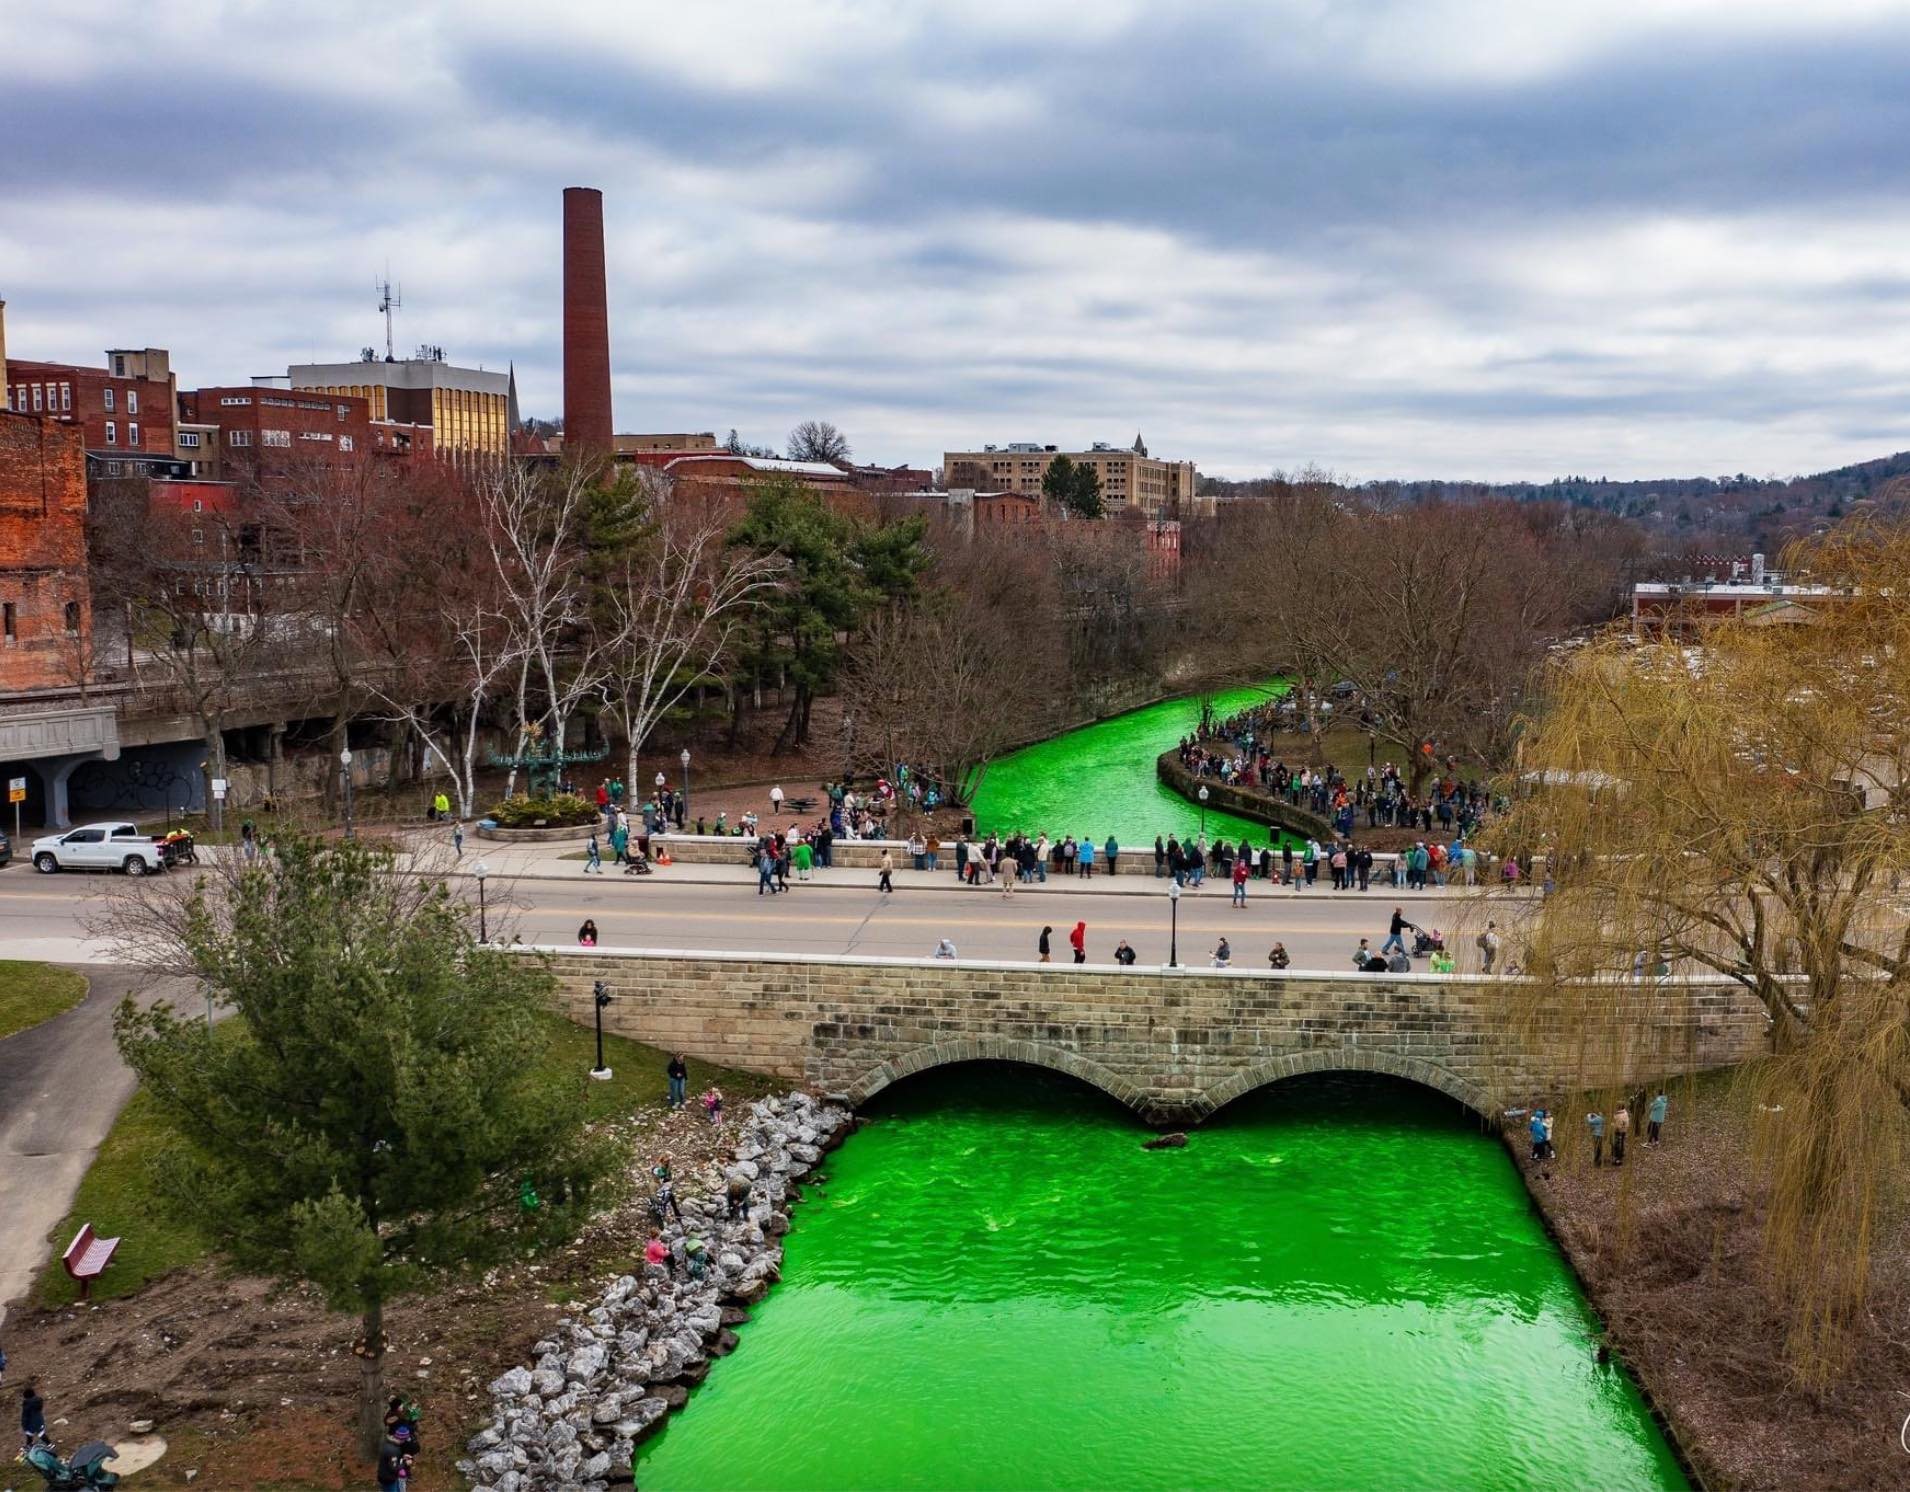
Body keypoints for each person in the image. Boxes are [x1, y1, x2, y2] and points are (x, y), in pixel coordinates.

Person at [376, 1421, 415, 1492]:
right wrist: (405, 1463)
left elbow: (391, 1461)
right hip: (388, 1479)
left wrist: (402, 1457)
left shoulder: (391, 1444)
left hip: (387, 1476)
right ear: (402, 1439)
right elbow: (394, 1468)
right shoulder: (393, 1450)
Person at [21, 1378, 45, 1453]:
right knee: (41, 1434)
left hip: (31, 1423)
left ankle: (29, 1446)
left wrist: (24, 1425)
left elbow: (25, 1417)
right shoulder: (38, 1402)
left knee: (29, 1434)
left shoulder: (27, 1405)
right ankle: (50, 1444)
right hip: (39, 1421)